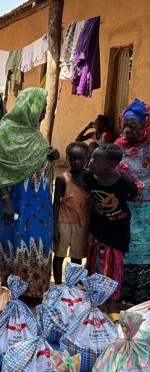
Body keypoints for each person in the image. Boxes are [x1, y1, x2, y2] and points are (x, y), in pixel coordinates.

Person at [0, 87, 59, 302]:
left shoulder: (35, 134)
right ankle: (9, 288)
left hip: (39, 204)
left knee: (38, 242)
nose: (44, 113)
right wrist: (6, 202)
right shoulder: (7, 131)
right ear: (31, 107)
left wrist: (49, 155)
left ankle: (33, 290)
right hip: (15, 202)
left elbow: (35, 159)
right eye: (43, 108)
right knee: (14, 240)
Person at [84, 143, 139, 313]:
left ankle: (112, 303)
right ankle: (94, 300)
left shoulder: (124, 182)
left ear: (111, 164)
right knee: (94, 263)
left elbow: (134, 195)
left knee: (114, 265)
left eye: (96, 159)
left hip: (117, 230)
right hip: (97, 227)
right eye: (92, 157)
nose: (91, 161)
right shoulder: (89, 178)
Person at [115, 99, 149, 305]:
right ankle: (122, 292)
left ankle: (142, 294)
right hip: (124, 205)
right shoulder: (118, 145)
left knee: (144, 249)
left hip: (146, 206)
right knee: (125, 246)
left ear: (144, 124)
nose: (127, 130)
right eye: (125, 125)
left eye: (133, 126)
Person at [52, 141, 91, 285]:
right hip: (63, 222)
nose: (76, 161)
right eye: (73, 158)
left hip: (82, 224)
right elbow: (56, 203)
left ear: (87, 158)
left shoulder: (90, 178)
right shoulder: (62, 178)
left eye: (81, 158)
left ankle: (72, 288)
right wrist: (54, 226)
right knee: (59, 256)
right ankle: (57, 286)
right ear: (67, 158)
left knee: (77, 258)